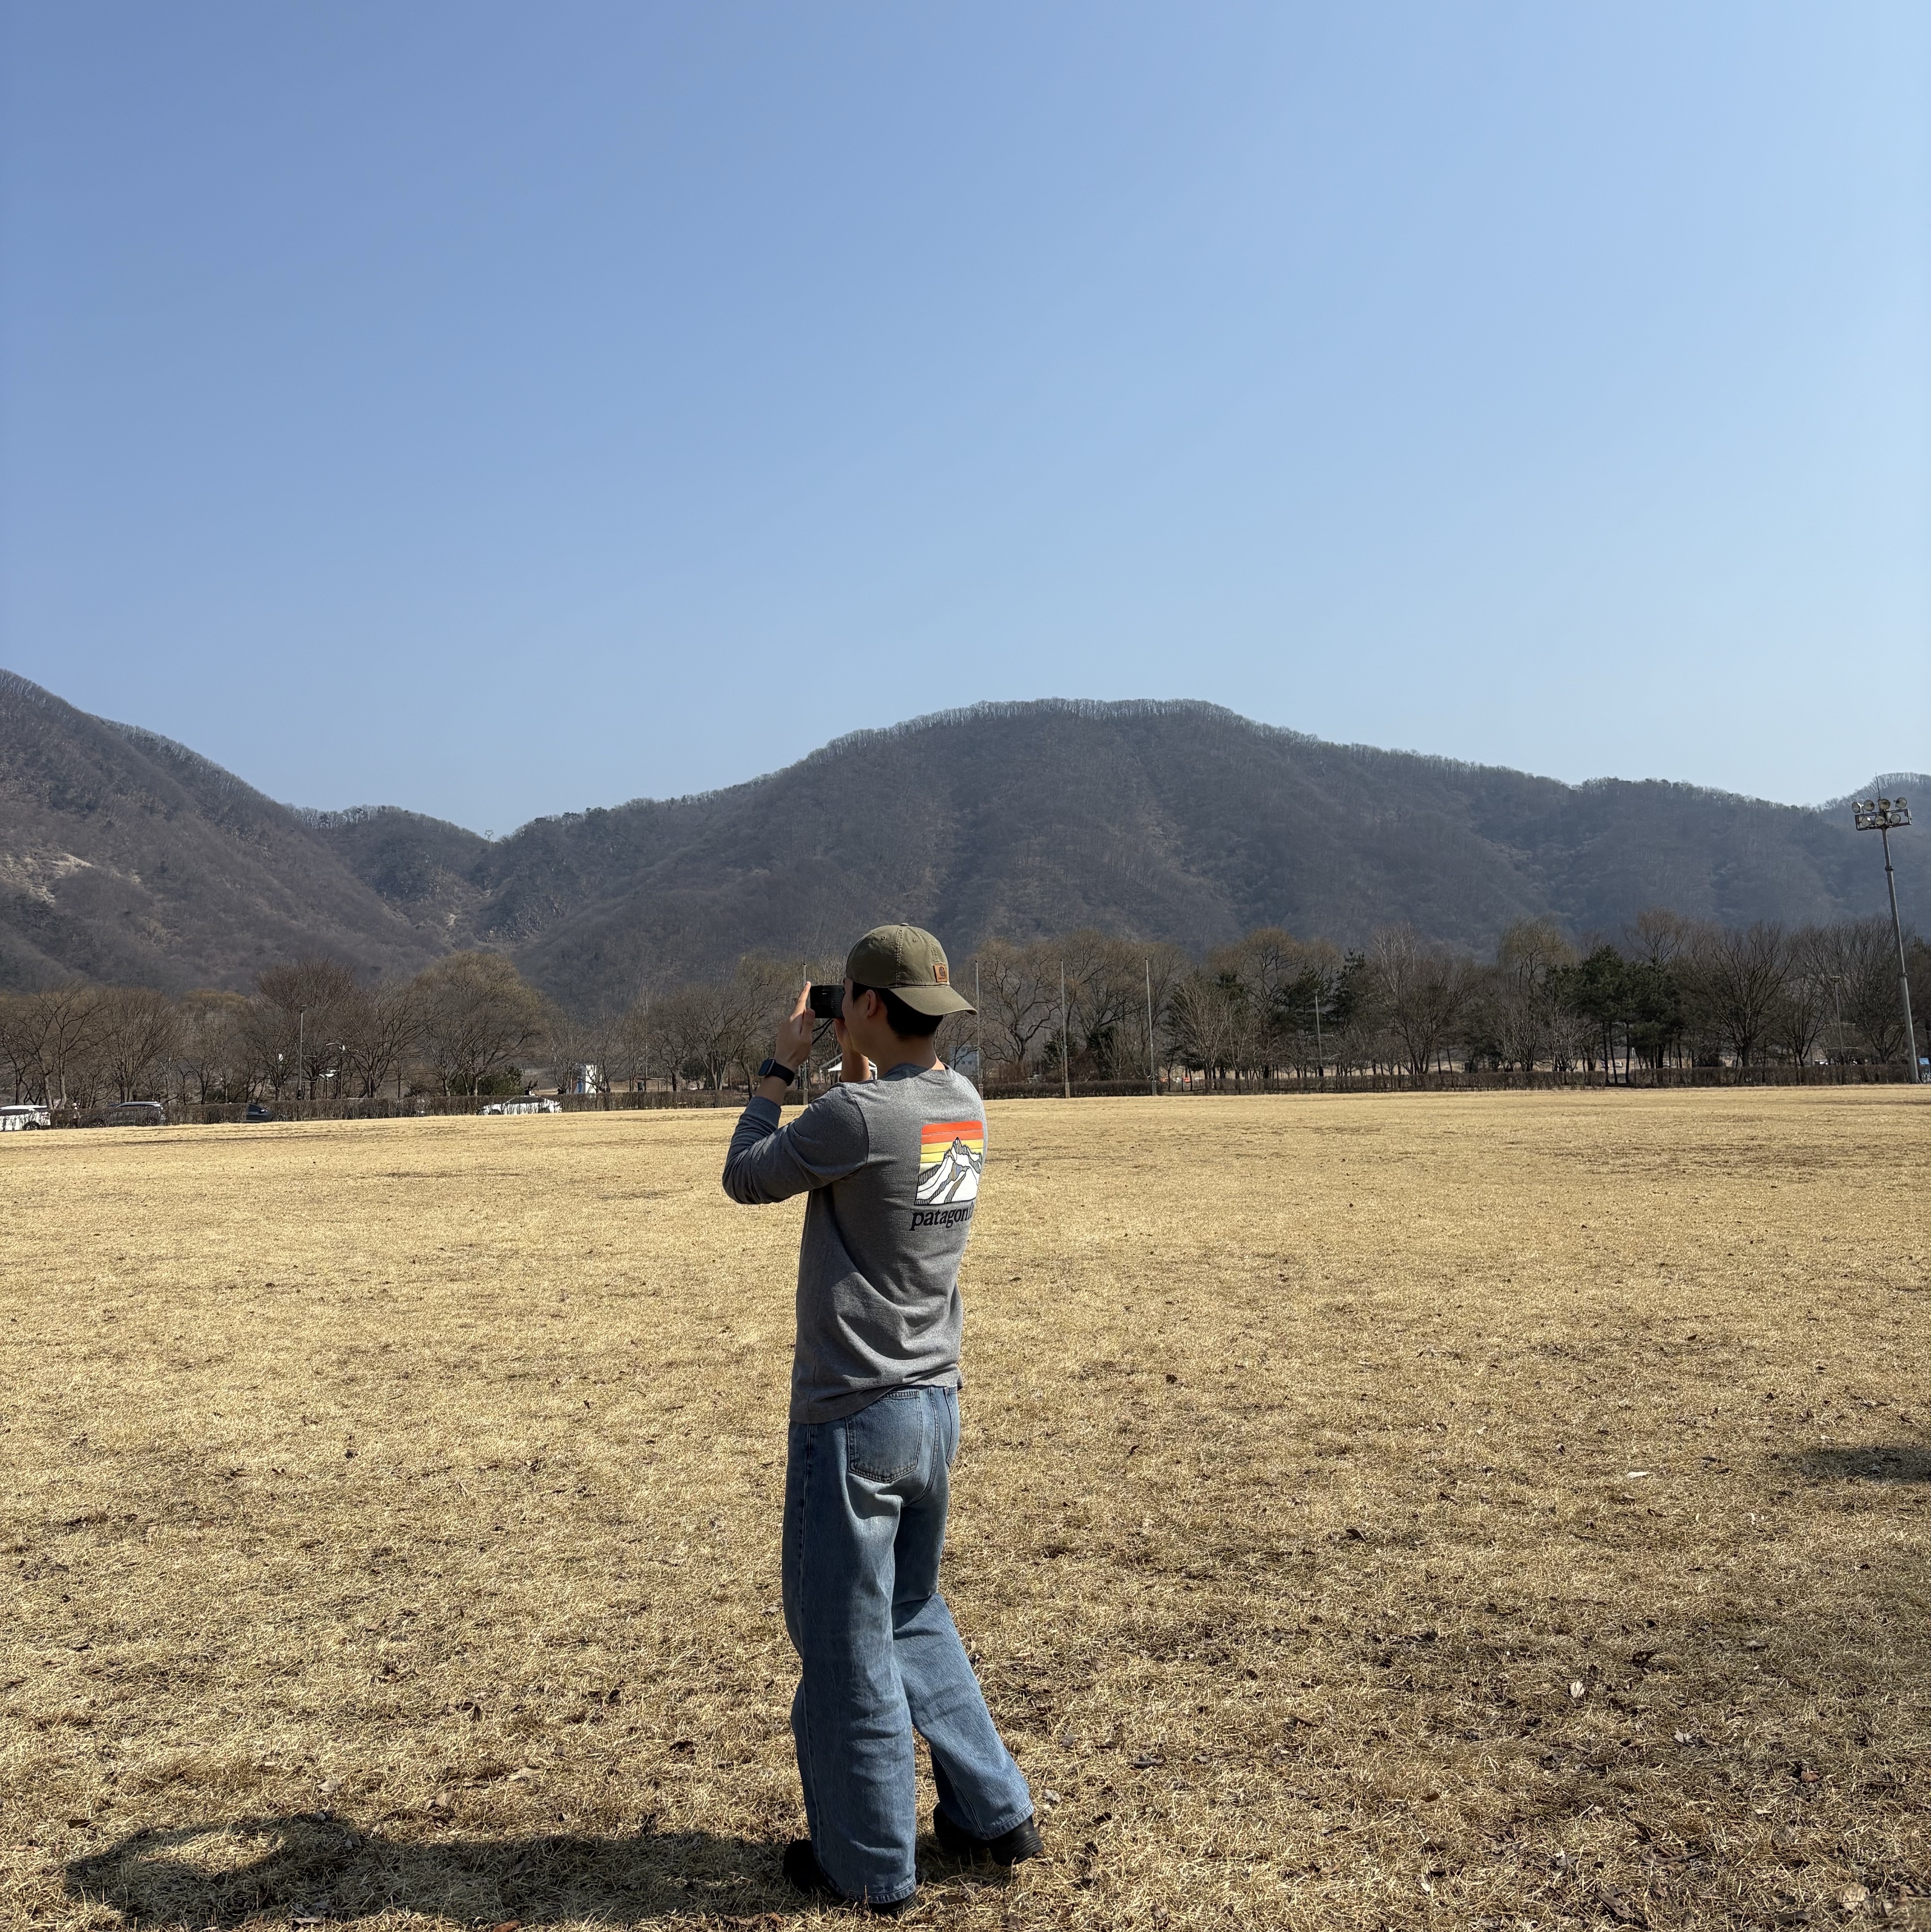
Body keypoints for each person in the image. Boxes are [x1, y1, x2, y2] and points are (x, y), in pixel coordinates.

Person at [722, 923, 1042, 1914]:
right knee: (909, 1610)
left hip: (853, 1413)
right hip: (932, 1403)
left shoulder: (855, 1114)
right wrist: (854, 1056)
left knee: (844, 1637)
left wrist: (783, 1061)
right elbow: (874, 1121)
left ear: (863, 1003)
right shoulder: (964, 1107)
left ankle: (865, 1862)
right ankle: (993, 1814)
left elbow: (748, 1172)